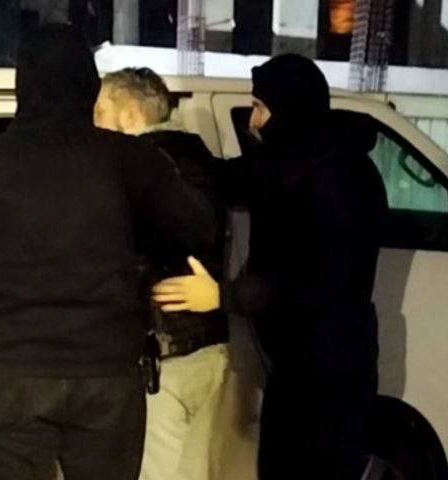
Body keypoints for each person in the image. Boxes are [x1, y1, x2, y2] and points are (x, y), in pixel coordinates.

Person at [0, 24, 215, 480]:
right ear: (89, 85)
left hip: (17, 374)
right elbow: (194, 232)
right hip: (109, 377)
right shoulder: (133, 159)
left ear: (22, 85)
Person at [153, 54, 389, 479]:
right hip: (302, 365)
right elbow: (228, 179)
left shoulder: (339, 178)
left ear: (290, 108)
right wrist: (158, 139)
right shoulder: (295, 162)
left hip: (329, 372)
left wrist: (221, 295)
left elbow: (317, 283)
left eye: (260, 108)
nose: (253, 122)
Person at [95, 67, 229, 480]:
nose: (93, 124)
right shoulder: (202, 162)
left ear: (129, 115)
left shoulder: (134, 169)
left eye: (100, 112)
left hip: (162, 361)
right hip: (214, 349)